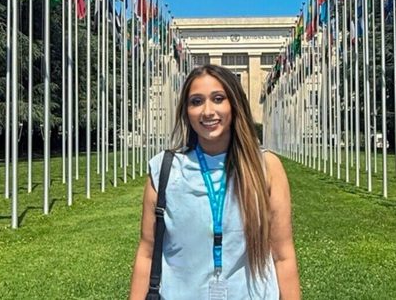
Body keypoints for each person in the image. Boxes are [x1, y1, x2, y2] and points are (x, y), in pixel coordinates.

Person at [129, 64, 301, 299]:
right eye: (196, 101)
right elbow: (147, 254)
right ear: (186, 111)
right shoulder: (164, 169)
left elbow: (283, 256)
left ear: (234, 104)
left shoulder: (266, 168)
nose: (207, 111)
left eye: (218, 98)